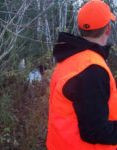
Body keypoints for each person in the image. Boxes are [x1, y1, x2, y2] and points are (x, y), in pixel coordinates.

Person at [46, 0, 117, 150]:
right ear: (108, 29)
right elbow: (94, 131)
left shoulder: (70, 60)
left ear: (79, 28)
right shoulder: (93, 69)